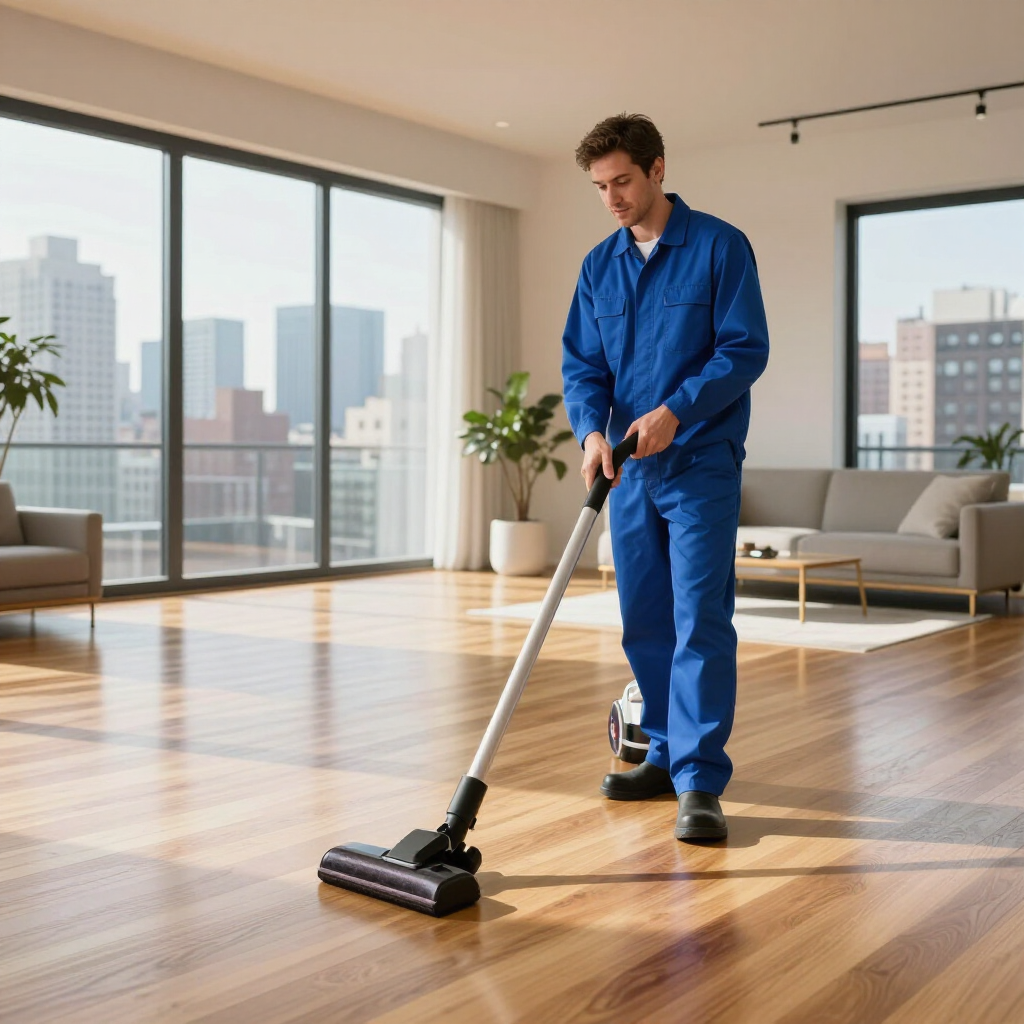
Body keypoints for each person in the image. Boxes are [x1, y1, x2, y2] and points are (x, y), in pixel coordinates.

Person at [561, 113, 769, 841]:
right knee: (644, 620)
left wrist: (677, 411)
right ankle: (661, 753)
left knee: (698, 619)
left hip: (701, 462)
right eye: (600, 186)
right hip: (629, 470)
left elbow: (744, 350)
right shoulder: (599, 266)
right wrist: (591, 431)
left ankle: (701, 781)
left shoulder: (718, 246)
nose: (613, 197)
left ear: (656, 169)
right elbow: (582, 365)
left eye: (622, 181)